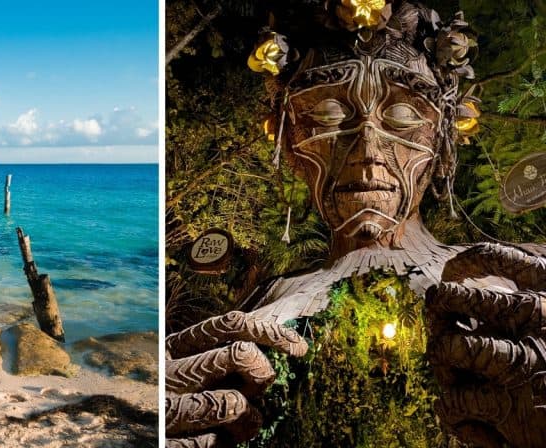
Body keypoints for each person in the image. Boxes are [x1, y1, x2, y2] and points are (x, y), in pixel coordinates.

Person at [165, 1, 546, 447]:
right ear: (289, 145)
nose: (367, 144)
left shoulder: (521, 277)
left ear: (443, 141)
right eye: (327, 114)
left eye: (403, 116)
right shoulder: (269, 298)